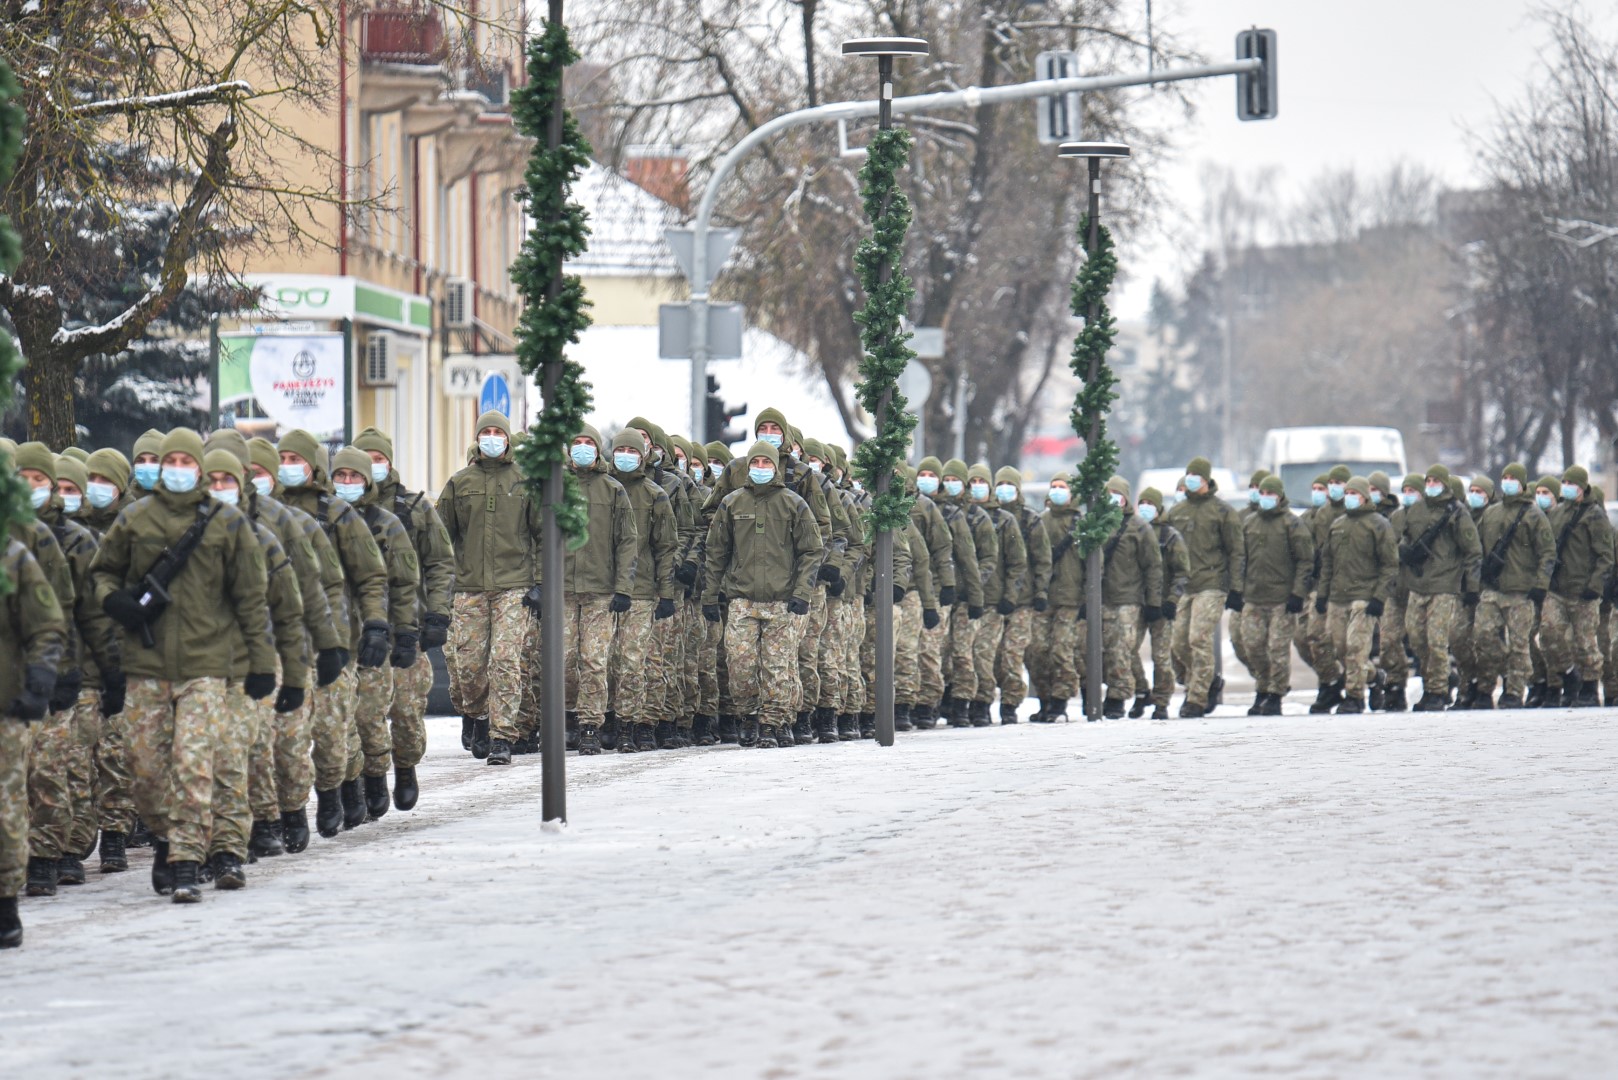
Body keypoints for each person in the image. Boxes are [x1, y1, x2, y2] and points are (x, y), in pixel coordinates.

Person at [90, 427, 278, 903]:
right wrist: (114, 600)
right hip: (146, 665)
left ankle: (187, 862)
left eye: (185, 462)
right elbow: (102, 571)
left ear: (199, 468)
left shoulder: (227, 524)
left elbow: (251, 599)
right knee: (145, 769)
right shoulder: (135, 518)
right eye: (169, 462)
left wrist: (260, 662)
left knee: (194, 763)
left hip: (206, 666)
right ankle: (165, 836)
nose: (176, 470)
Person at [14, 443, 119, 895]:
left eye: (37, 479)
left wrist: (103, 670)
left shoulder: (65, 541)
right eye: (20, 479)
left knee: (51, 768)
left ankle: (50, 855)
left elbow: (82, 612)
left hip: (55, 670)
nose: (28, 488)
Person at [201, 448, 306, 888]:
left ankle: (233, 842)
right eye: (211, 479)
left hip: (251, 659)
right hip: (191, 663)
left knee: (240, 750)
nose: (218, 488)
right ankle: (187, 844)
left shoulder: (269, 530)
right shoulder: (163, 529)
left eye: (228, 479)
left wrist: (301, 663)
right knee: (192, 758)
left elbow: (300, 597)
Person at [278, 429, 390, 834]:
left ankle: (337, 789)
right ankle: (285, 810)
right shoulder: (264, 513)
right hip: (282, 642)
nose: (287, 467)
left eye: (295, 460)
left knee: (331, 729)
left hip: (334, 637)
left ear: (314, 466)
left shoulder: (339, 515)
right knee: (284, 735)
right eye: (281, 459)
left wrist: (375, 624)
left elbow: (371, 577)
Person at [240, 435, 348, 853]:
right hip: (229, 649)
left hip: (286, 644)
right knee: (247, 741)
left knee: (287, 739)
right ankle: (260, 821)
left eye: (260, 471)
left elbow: (321, 585)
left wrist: (330, 643)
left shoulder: (291, 523)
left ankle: (292, 808)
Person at [354, 427, 454, 805]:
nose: (371, 466)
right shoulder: (340, 512)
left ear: (389, 462)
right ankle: (370, 775)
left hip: (406, 626)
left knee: (407, 710)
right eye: (365, 459)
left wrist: (437, 613)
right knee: (363, 711)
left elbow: (440, 563)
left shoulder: (415, 509)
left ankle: (406, 765)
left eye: (377, 459)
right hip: (360, 629)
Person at [702, 439, 824, 748]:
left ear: (775, 467)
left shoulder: (794, 504)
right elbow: (715, 552)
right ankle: (748, 715)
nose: (760, 468)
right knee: (740, 664)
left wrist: (802, 593)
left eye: (766, 463)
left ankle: (773, 721)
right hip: (742, 601)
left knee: (777, 666)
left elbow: (812, 550)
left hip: (781, 601)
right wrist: (710, 595)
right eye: (755, 463)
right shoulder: (731, 503)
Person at [437, 410, 539, 763]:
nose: (492, 438)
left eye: (498, 432)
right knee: (470, 667)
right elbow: (439, 539)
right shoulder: (459, 483)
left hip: (514, 586)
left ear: (508, 439)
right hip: (470, 587)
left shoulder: (525, 482)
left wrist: (540, 583)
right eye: (486, 432)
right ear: (477, 438)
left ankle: (502, 736)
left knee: (506, 661)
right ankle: (478, 717)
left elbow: (544, 536)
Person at [330, 446, 421, 790]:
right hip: (336, 635)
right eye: (341, 475)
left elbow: (404, 583)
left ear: (367, 481)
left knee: (369, 715)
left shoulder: (387, 524)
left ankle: (377, 774)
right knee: (338, 719)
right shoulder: (320, 522)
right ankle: (349, 786)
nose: (347, 482)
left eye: (354, 476)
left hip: (377, 633)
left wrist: (406, 631)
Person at [0, 521, 69, 949]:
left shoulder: (12, 556)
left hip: (4, 705)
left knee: (6, 807)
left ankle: (5, 898)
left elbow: (46, 624)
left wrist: (40, 674)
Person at [560, 425, 638, 755]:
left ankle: (590, 725)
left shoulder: (613, 490)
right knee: (564, 659)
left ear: (597, 449)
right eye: (576, 443)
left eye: (588, 443)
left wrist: (623, 588)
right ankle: (567, 716)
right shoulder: (555, 488)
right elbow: (537, 537)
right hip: (562, 590)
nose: (582, 448)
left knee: (593, 660)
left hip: (600, 591)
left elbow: (627, 541)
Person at [606, 429, 678, 754]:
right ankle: (605, 719)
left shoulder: (654, 495)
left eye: (631, 450)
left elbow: (665, 547)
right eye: (620, 449)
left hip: (642, 589)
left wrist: (667, 593)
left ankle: (631, 724)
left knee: (634, 660)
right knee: (604, 660)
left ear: (643, 456)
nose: (625, 455)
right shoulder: (602, 489)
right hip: (602, 589)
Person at [1395, 464, 1482, 712]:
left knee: (1436, 640)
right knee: (1416, 638)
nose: (1431, 485)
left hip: (1444, 585)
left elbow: (1473, 551)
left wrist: (1471, 587)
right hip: (1418, 584)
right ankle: (1435, 678)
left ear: (1444, 484)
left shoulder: (1458, 513)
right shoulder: (1416, 510)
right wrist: (1404, 551)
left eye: (1436, 481)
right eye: (1428, 481)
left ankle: (1437, 690)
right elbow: (1402, 535)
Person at [1164, 456, 1245, 718]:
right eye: (1188, 475)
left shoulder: (1222, 512)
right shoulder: (1177, 512)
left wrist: (1236, 588)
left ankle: (1196, 698)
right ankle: (1205, 682)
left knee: (1198, 638)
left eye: (1196, 476)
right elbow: (1168, 553)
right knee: (1178, 643)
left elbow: (1236, 551)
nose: (1190, 480)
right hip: (1184, 587)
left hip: (1212, 583)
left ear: (1207, 480)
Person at [1471, 462, 1553, 709]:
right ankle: (1485, 688)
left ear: (1522, 483)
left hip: (1521, 591)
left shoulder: (1534, 515)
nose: (1507, 481)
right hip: (1492, 590)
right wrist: (1477, 582)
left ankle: (1514, 691)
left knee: (1519, 644)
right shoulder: (1491, 513)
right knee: (1483, 637)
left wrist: (1540, 585)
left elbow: (1547, 553)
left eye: (1512, 478)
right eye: (1504, 477)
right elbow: (1476, 550)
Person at [1316, 476, 1399, 714]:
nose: (1349, 497)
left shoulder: (1378, 524)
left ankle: (1354, 696)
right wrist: (1322, 594)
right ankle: (1373, 676)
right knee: (1340, 648)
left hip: (1364, 596)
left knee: (1356, 647)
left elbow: (1390, 564)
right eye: (1348, 493)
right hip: (1338, 597)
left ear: (1364, 497)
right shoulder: (1338, 524)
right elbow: (1328, 563)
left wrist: (1379, 597)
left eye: (1354, 494)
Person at [1238, 475, 1313, 716]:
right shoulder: (1249, 523)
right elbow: (1240, 558)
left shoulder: (1292, 524)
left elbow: (1305, 560)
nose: (1266, 498)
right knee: (1252, 646)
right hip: (1254, 597)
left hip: (1282, 598)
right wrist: (1237, 589)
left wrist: (1298, 593)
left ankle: (1275, 694)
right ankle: (1263, 685)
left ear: (1280, 496)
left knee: (1277, 648)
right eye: (1263, 493)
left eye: (1271, 494)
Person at [1540, 465, 1614, 707]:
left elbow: (1606, 556)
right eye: (1564, 482)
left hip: (1583, 591)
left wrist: (1595, 585)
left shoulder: (1594, 515)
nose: (1566, 487)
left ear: (1582, 487)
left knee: (1585, 642)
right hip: (1557, 588)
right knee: (1549, 633)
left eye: (1571, 483)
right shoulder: (1557, 513)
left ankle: (1590, 688)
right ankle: (1569, 674)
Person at [1094, 477, 1162, 719]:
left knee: (1121, 649)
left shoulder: (1139, 528)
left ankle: (1117, 697)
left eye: (1117, 493)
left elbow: (1153, 566)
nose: (1112, 498)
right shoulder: (1096, 524)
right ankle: (1141, 689)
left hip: (1129, 598)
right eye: (1108, 493)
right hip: (1103, 598)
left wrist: (1153, 601)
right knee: (1107, 651)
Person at [992, 467, 1051, 725]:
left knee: (1013, 653)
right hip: (994, 598)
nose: (1004, 490)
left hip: (1023, 600)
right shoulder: (988, 516)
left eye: (1009, 485)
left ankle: (1010, 702)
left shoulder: (1030, 520)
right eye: (1000, 484)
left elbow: (1042, 560)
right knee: (994, 655)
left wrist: (1040, 591)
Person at [1028, 472, 1086, 722]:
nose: (1057, 491)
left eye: (1062, 487)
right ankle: (1045, 699)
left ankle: (1060, 702)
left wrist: (1087, 598)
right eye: (1054, 486)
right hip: (1044, 596)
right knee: (1037, 650)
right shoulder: (1041, 521)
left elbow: (1092, 565)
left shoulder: (1081, 524)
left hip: (1070, 598)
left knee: (1061, 649)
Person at [1132, 487, 1189, 720]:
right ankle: (1141, 690)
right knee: (1126, 649)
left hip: (1163, 604)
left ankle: (1162, 701)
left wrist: (1172, 600)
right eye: (1142, 503)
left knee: (1161, 657)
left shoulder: (1169, 536)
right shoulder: (1133, 531)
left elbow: (1182, 571)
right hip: (1137, 602)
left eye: (1150, 503)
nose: (1145, 507)